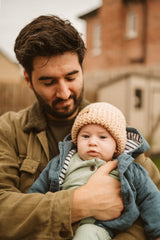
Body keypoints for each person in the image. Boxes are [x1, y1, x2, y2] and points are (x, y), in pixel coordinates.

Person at [0, 15, 159, 240]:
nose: (64, 92)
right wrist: (80, 203)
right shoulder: (8, 131)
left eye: (71, 77)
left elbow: (153, 203)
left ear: (82, 70)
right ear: (28, 79)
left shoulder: (113, 127)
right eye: (49, 82)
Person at [28, 102, 160, 240]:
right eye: (85, 136)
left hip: (98, 227)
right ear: (76, 139)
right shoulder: (62, 162)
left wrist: (157, 232)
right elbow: (37, 191)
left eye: (102, 137)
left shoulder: (128, 168)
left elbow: (150, 197)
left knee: (86, 234)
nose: (92, 142)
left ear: (116, 146)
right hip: (62, 223)